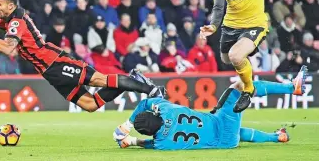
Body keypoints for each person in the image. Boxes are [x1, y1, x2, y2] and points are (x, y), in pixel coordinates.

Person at [0, 0, 165, 112]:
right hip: (48, 71)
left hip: (55, 62)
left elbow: (9, 47)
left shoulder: (17, 21)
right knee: (90, 105)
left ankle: (149, 89)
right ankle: (129, 80)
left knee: (99, 80)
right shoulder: (9, 20)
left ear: (11, 5)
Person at [113, 66, 308, 150]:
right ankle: (292, 87)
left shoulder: (161, 144)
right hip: (219, 124)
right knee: (240, 86)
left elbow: (149, 145)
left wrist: (131, 142)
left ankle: (277, 137)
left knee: (238, 132)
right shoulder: (166, 110)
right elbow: (145, 103)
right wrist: (127, 125)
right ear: (153, 114)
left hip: (224, 142)